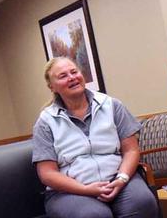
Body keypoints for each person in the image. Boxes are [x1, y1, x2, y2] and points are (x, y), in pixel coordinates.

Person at [31, 57, 159, 218]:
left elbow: (131, 150)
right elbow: (47, 174)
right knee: (94, 215)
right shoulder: (46, 121)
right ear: (52, 87)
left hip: (118, 178)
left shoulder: (111, 105)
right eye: (63, 76)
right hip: (70, 191)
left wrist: (122, 178)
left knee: (142, 202)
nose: (72, 77)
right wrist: (85, 189)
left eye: (74, 72)